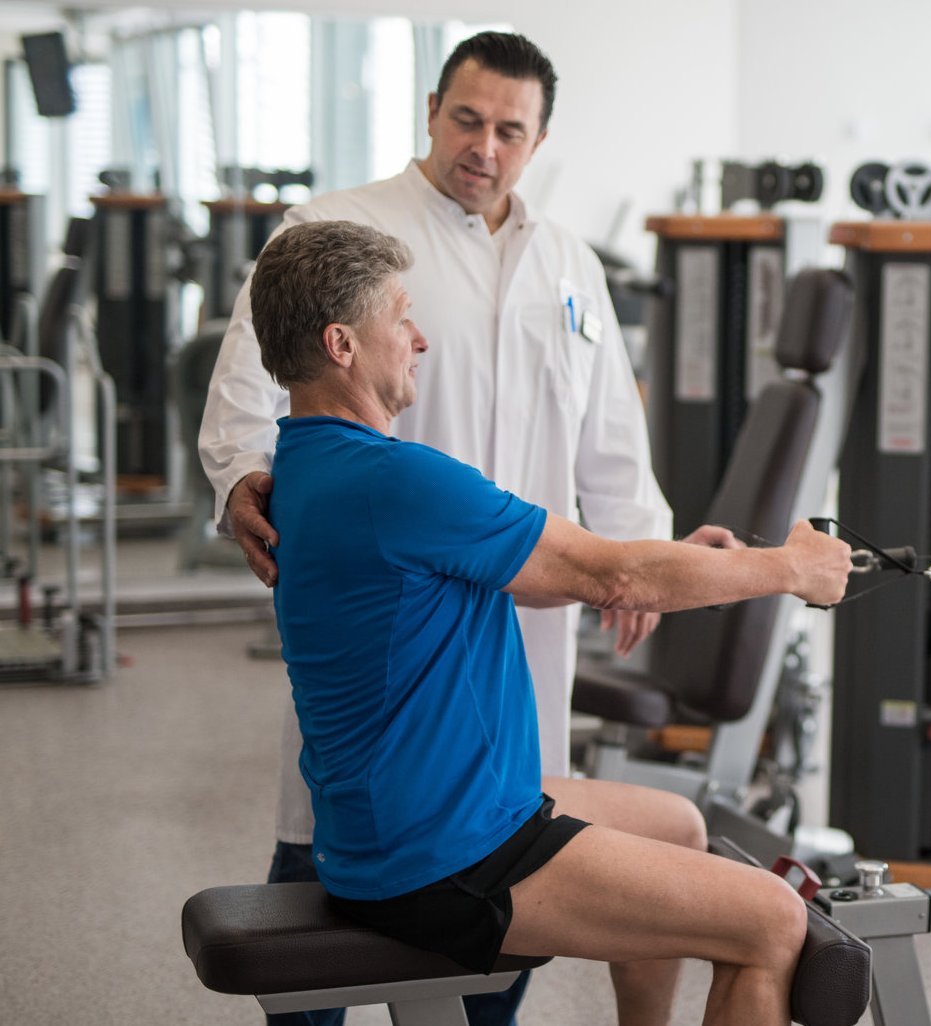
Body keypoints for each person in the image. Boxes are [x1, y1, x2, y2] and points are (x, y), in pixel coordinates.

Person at [198, 32, 691, 1025]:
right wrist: (248, 479)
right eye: (467, 119)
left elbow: (608, 431)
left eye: (511, 129)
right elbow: (247, 393)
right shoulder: (339, 229)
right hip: (391, 611)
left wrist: (639, 550)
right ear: (431, 110)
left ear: (539, 138)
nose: (485, 146)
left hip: (528, 601)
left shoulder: (566, 262)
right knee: (330, 834)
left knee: (510, 853)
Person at [252, 219, 850, 1026]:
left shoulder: (304, 468)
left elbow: (553, 575)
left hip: (421, 810)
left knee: (679, 823)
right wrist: (792, 568)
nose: (420, 338)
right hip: (446, 854)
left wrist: (664, 560)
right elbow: (612, 575)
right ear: (343, 344)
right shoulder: (396, 482)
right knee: (772, 920)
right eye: (401, 318)